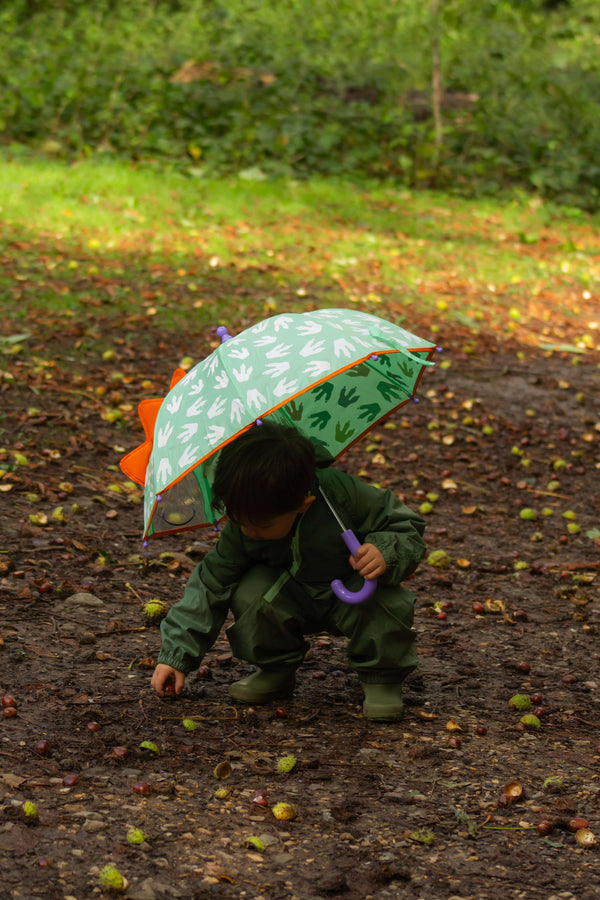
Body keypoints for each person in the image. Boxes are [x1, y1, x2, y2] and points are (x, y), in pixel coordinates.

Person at [150, 422, 426, 721]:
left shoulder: (342, 494)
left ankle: (382, 678)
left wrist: (384, 550)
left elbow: (405, 527)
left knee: (386, 601)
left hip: (352, 589)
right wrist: (177, 656)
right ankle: (276, 669)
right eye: (239, 521)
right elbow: (209, 585)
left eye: (262, 525)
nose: (249, 531)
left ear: (303, 505)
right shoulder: (245, 527)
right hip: (289, 594)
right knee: (251, 592)